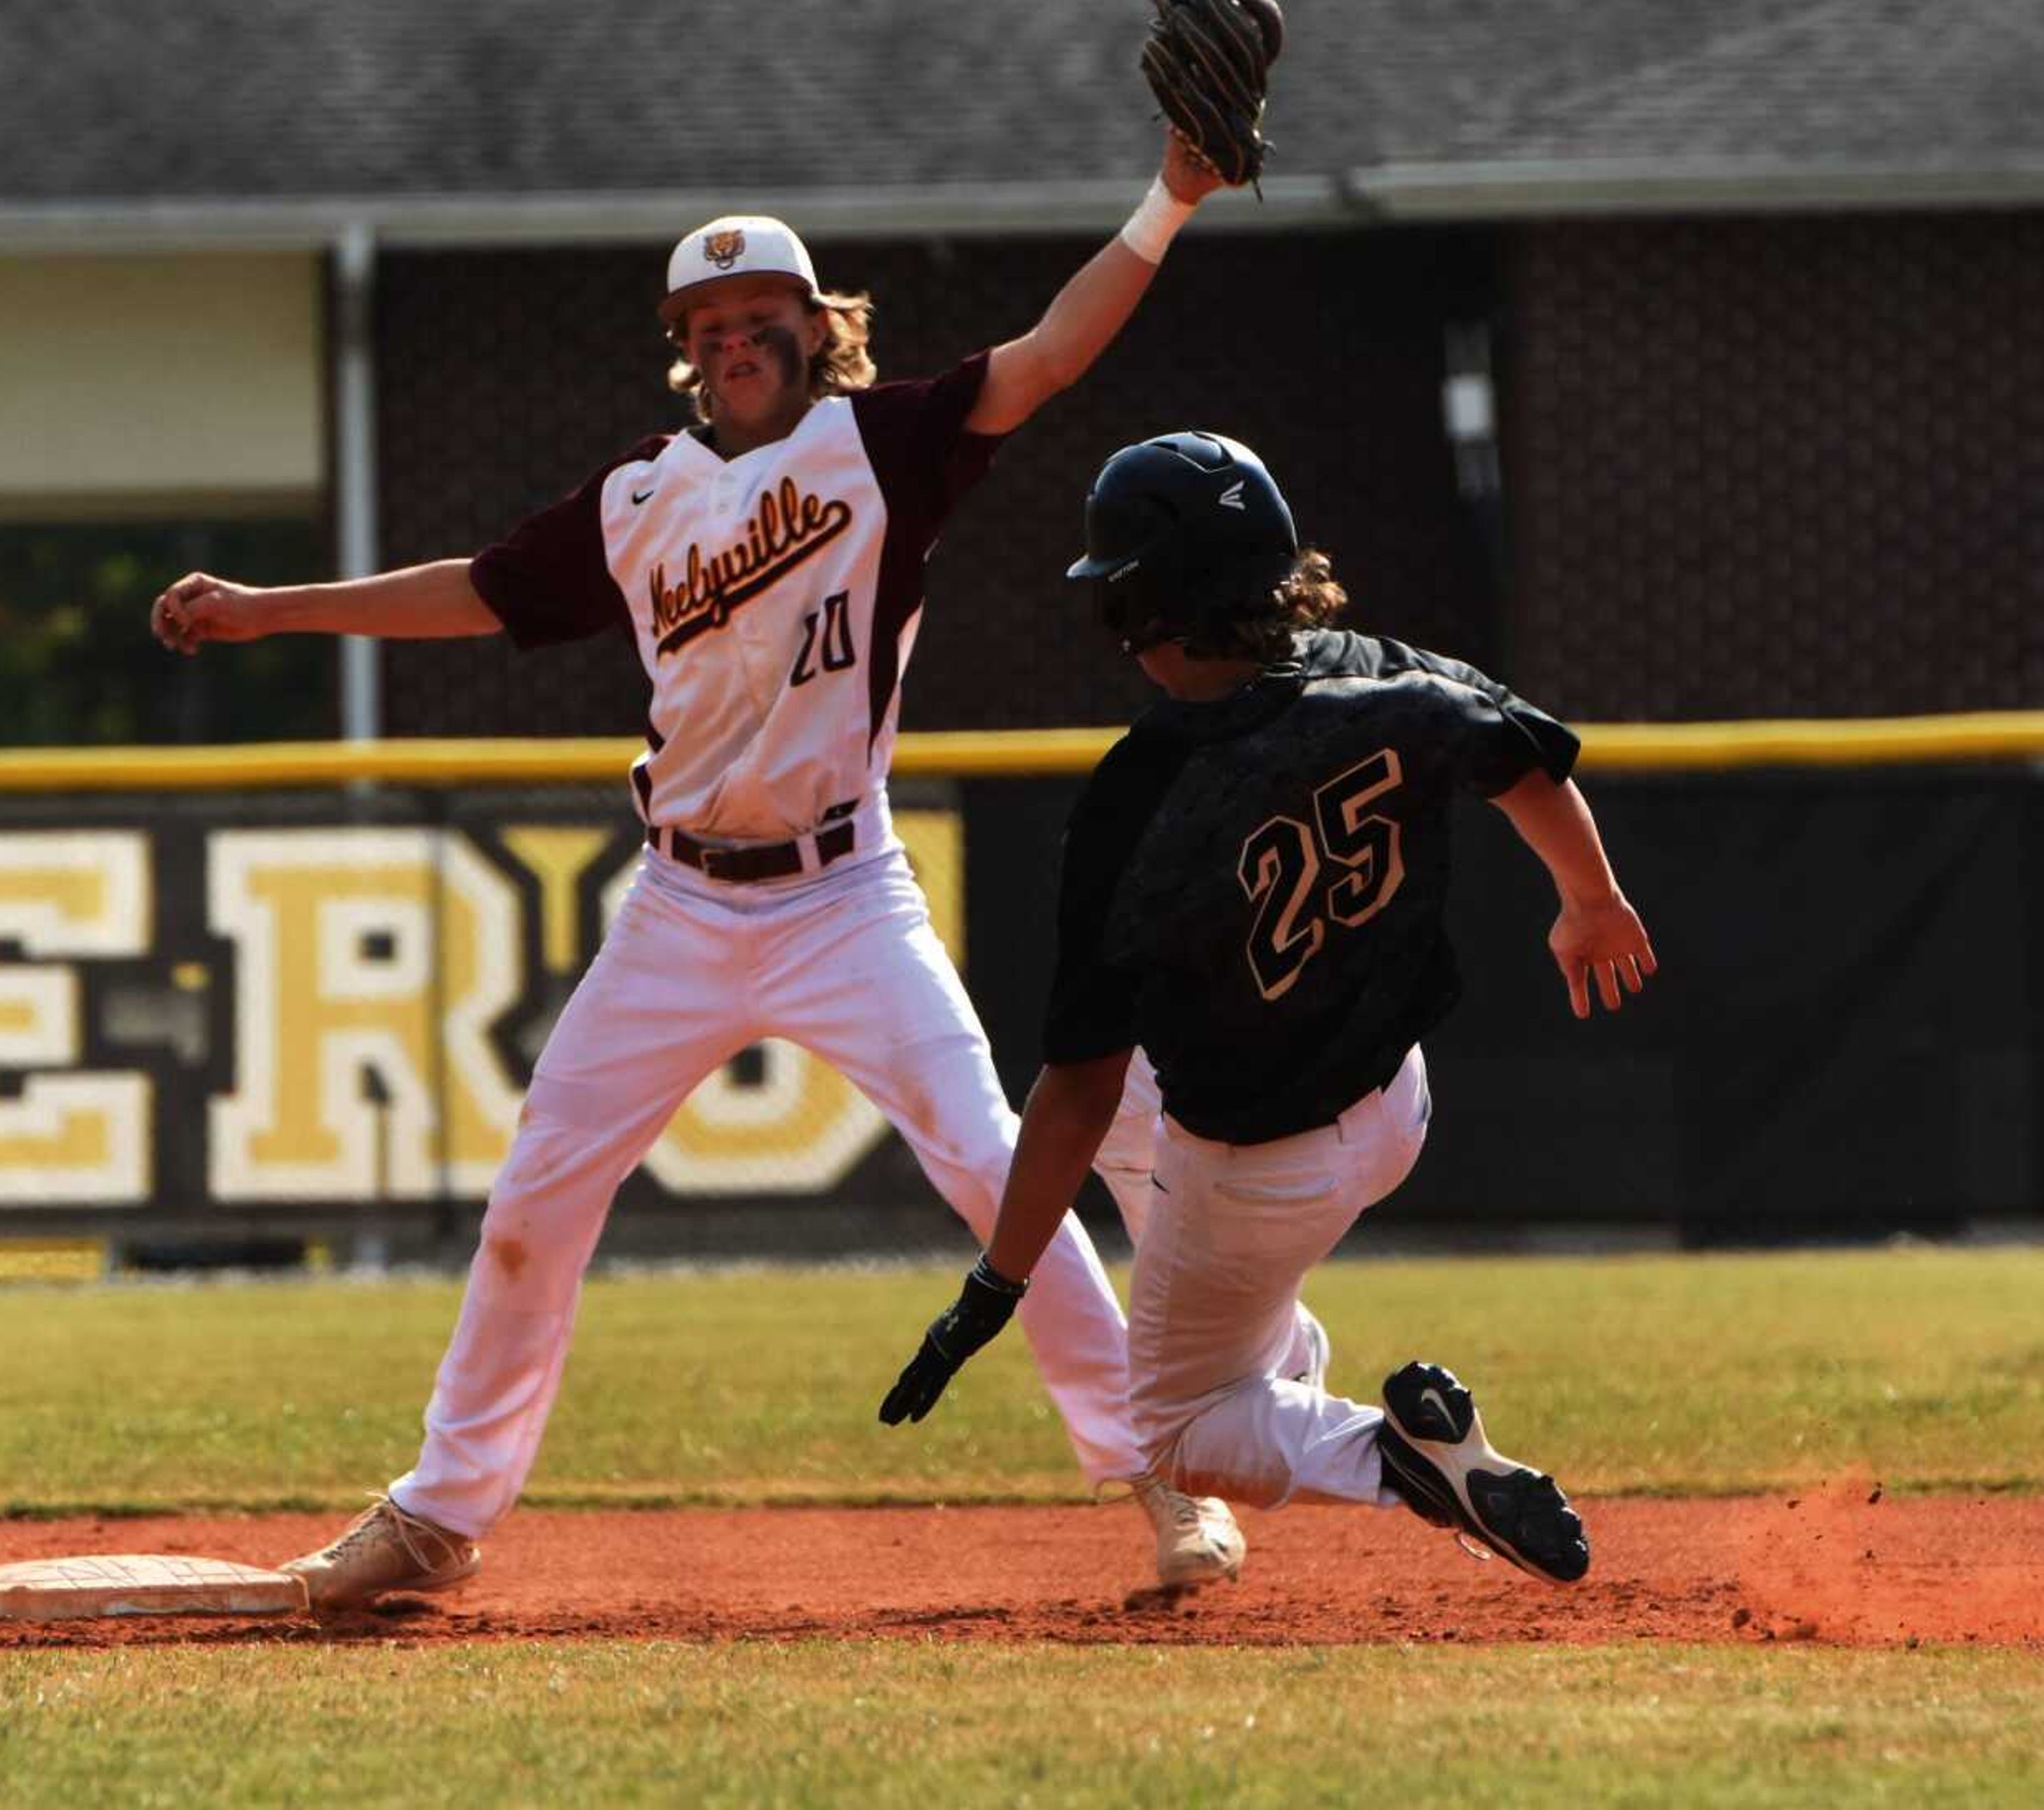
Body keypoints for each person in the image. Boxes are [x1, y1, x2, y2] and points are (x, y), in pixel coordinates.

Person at [150, 135, 1256, 1607]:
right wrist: (269, 611)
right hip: (678, 903)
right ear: (686, 353)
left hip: (846, 895)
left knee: (1002, 1174)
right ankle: (438, 1515)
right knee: (538, 1197)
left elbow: (1052, 356)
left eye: (763, 320)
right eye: (709, 329)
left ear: (818, 328)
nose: (738, 343)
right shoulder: (637, 501)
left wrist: (1171, 196)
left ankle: (1160, 1479)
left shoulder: (886, 445)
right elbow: (477, 592)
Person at [879, 430, 1656, 1587]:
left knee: (1179, 1424)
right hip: (1394, 1100)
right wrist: (1589, 896)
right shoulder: (1368, 663)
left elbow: (1077, 1085)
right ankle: (1274, 1349)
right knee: (1170, 1156)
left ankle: (1402, 1459)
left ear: (1144, 606)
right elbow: (1516, 753)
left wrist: (994, 1284)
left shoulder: (1135, 797)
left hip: (1256, 1163)